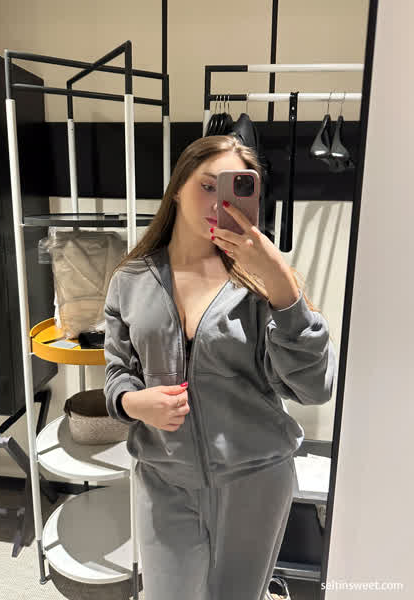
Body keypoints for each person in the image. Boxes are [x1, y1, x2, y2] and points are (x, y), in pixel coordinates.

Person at [104, 135, 337, 600]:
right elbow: (117, 374)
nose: (218, 202)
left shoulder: (262, 282)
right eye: (207, 186)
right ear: (177, 188)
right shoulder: (130, 280)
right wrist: (134, 403)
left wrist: (283, 288)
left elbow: (314, 388)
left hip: (256, 481)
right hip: (164, 477)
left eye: (234, 188)